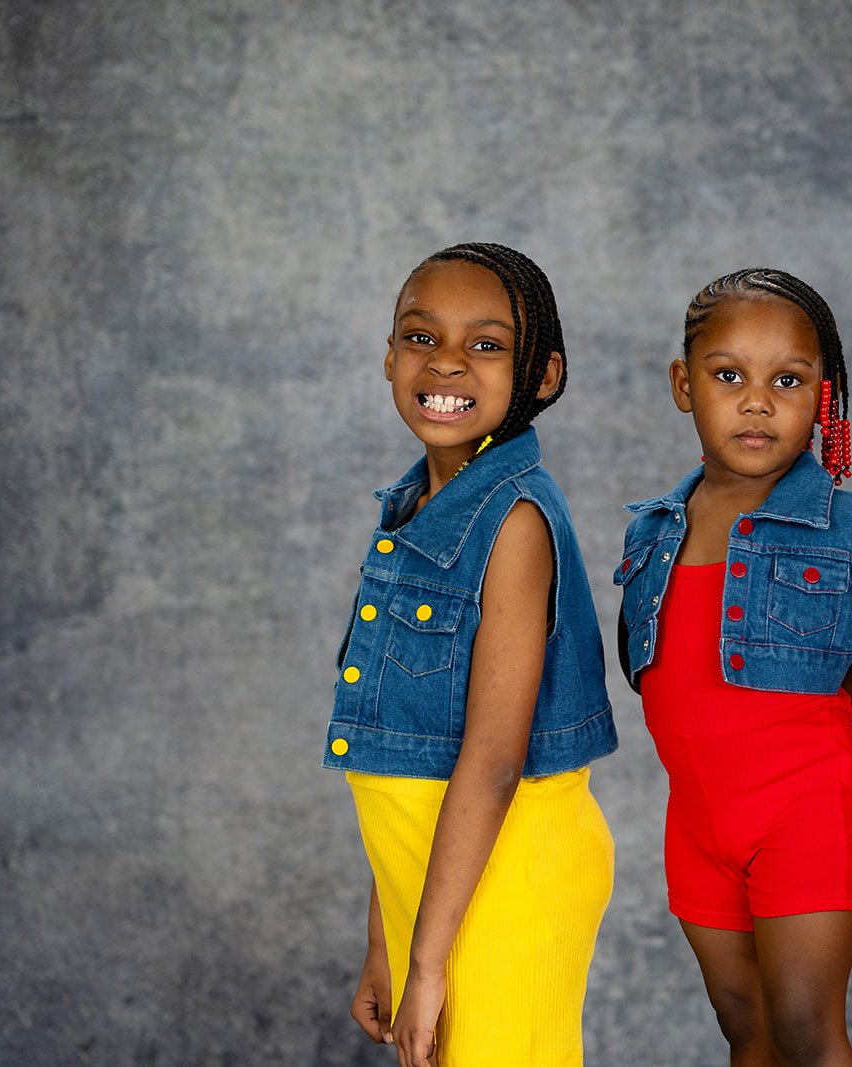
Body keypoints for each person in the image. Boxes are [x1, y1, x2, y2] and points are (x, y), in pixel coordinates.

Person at [615, 268, 852, 1066]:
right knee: (746, 1029)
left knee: (804, 1029)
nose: (757, 400)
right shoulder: (656, 529)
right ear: (684, 386)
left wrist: (800, 703)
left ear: (821, 399)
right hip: (696, 824)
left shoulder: (836, 528)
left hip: (806, 815)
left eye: (786, 380)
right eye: (729, 376)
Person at [322, 242, 618, 1067]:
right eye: (421, 336)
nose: (446, 361)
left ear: (543, 373)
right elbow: (406, 743)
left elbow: (489, 761)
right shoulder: (421, 508)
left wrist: (427, 962)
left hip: (510, 879)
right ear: (389, 355)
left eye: (486, 345)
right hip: (436, 881)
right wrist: (388, 935)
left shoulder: (513, 522)